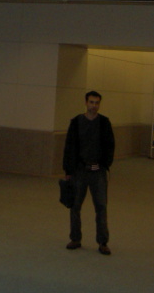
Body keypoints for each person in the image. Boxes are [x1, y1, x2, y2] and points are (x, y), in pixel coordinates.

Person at [62, 90, 115, 255]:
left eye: (97, 103)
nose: (94, 106)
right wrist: (68, 170)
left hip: (98, 172)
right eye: (91, 102)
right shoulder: (76, 122)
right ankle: (75, 238)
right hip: (79, 171)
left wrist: (105, 165)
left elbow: (110, 145)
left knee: (101, 207)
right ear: (86, 103)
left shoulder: (104, 123)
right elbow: (69, 147)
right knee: (75, 206)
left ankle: (103, 242)